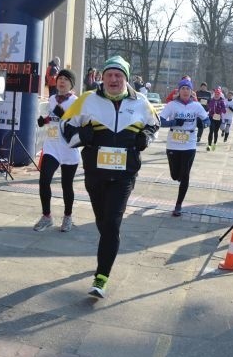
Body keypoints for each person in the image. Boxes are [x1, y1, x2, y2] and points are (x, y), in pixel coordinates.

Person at [60, 55, 159, 298]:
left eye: (118, 75)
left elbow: (155, 123)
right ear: (101, 78)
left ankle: (101, 277)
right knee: (103, 223)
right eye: (109, 75)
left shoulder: (141, 102)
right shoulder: (87, 100)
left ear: (126, 78)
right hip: (95, 173)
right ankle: (107, 248)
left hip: (124, 175)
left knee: (113, 224)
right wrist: (82, 136)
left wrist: (144, 137)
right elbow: (64, 125)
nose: (114, 79)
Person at [34, 68, 81, 232]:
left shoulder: (76, 101)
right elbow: (52, 118)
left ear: (71, 84)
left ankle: (68, 217)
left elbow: (78, 122)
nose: (61, 81)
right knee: (44, 180)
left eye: (65, 79)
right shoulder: (52, 98)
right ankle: (46, 216)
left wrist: (63, 114)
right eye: (60, 78)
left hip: (68, 148)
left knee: (66, 185)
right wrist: (44, 120)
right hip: (51, 146)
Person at [157, 78, 209, 216]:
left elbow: (206, 119)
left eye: (188, 89)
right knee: (175, 175)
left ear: (191, 91)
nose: (185, 91)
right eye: (183, 89)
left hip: (189, 143)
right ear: (179, 91)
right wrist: (174, 122)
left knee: (185, 175)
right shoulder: (172, 105)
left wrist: (205, 123)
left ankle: (178, 205)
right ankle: (178, 176)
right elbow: (160, 122)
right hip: (173, 143)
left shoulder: (197, 106)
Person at [206, 87, 226, 151]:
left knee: (216, 132)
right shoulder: (211, 100)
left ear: (220, 94)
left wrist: (221, 107)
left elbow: (224, 111)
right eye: (216, 94)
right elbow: (208, 107)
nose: (217, 95)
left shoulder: (222, 101)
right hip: (211, 117)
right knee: (211, 130)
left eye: (218, 94)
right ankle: (209, 145)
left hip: (218, 118)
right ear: (214, 94)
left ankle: (214, 144)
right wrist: (209, 109)